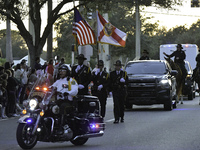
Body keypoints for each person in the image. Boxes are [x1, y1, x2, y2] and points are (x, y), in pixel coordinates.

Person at [51, 64, 78, 133]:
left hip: (68, 102)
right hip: (59, 100)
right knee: (50, 106)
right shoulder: (58, 81)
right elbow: (52, 87)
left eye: (63, 71)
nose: (61, 72)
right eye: (60, 71)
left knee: (63, 107)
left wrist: (68, 92)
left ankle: (62, 126)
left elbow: (75, 90)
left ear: (67, 72)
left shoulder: (71, 81)